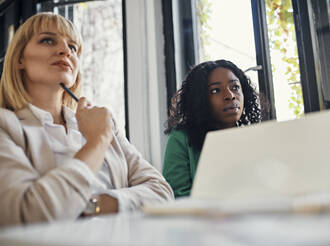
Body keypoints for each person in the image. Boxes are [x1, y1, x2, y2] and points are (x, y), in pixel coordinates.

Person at [0, 12, 173, 226]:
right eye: (47, 40)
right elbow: (28, 214)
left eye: (73, 47)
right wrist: (97, 142)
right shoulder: (5, 126)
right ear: (19, 59)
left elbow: (162, 191)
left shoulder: (103, 123)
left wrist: (94, 204)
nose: (65, 51)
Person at [162, 60, 261, 198]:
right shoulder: (181, 138)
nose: (230, 96)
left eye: (235, 87)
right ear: (200, 99)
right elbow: (178, 195)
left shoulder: (255, 137)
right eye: (215, 91)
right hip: (204, 218)